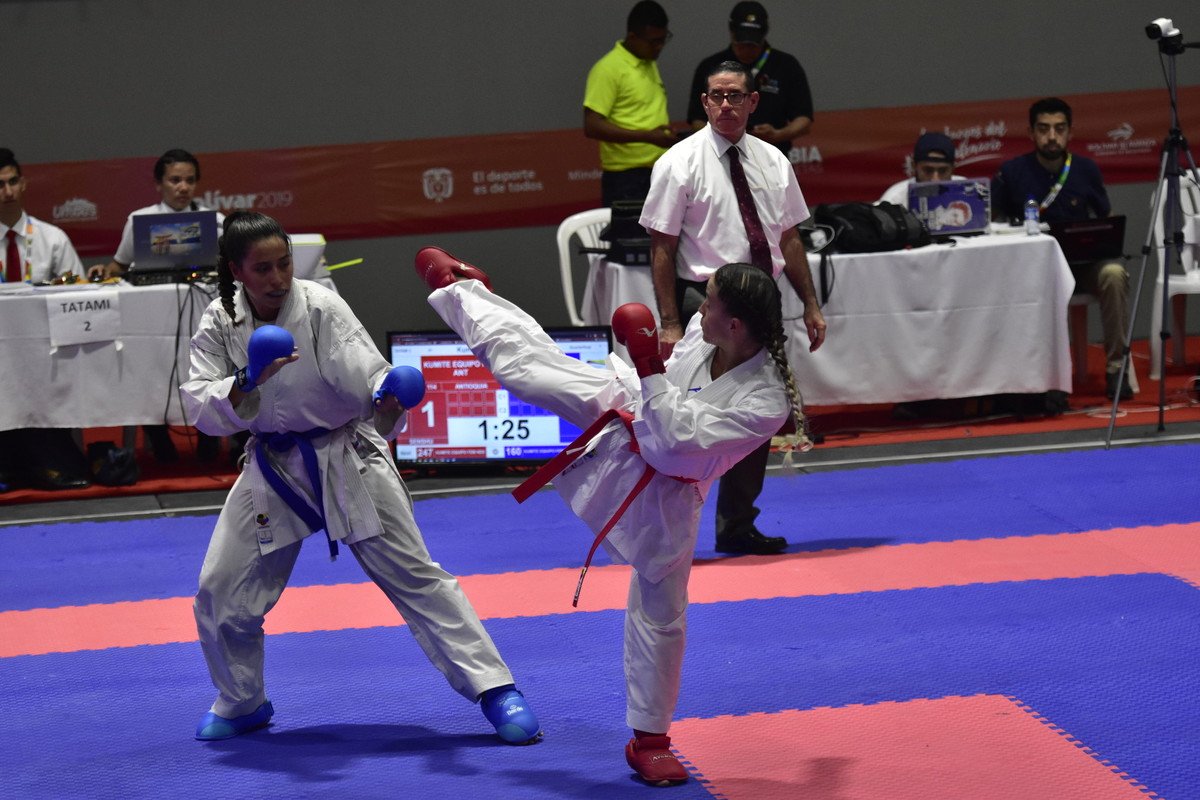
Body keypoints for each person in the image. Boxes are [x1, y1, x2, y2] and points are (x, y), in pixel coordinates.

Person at [414, 245, 807, 786]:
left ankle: (651, 740)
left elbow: (675, 443)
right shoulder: (706, 333)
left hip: (672, 488)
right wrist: (648, 367)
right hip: (630, 408)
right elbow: (662, 397)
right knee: (528, 370)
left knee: (661, 613)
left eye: (709, 301)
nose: (698, 307)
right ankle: (462, 288)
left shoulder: (766, 401)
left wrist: (647, 362)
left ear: (735, 325)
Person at [179, 211, 541, 746]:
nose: (278, 278)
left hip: (346, 455)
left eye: (284, 264)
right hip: (274, 466)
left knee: (416, 576)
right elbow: (199, 406)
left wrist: (387, 393)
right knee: (219, 590)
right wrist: (245, 379)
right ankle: (242, 700)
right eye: (263, 269)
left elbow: (367, 373)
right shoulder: (218, 320)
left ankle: (496, 690)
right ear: (236, 271)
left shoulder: (320, 306)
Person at [641, 59, 826, 555]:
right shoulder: (678, 162)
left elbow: (789, 238)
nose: (726, 105)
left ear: (752, 102)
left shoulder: (774, 161)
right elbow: (661, 247)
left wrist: (810, 303)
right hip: (707, 300)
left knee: (758, 408)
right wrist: (670, 323)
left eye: (735, 96)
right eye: (717, 96)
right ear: (704, 102)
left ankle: (737, 523)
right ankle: (662, 523)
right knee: (686, 411)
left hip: (763, 299)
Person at [88, 148, 226, 462]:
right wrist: (103, 272)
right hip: (150, 320)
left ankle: (209, 437)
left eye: (189, 180)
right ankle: (158, 438)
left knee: (207, 370)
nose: (183, 187)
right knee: (148, 371)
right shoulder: (140, 220)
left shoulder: (216, 222)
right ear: (159, 184)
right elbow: (119, 266)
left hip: (201, 315)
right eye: (175, 180)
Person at [992, 97, 1133, 400]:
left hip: (1083, 268)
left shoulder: (1086, 170)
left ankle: (1116, 369)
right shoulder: (1012, 172)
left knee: (1114, 273)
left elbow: (1106, 218)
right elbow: (992, 224)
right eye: (1044, 129)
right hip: (1034, 274)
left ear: (1070, 132)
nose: (1052, 137)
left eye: (1059, 129)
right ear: (1031, 133)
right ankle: (1031, 379)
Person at [0, 148, 91, 492]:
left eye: (12, 182)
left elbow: (79, 296)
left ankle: (47, 463)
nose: (7, 191)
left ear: (23, 184)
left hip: (46, 354)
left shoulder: (52, 239)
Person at [686, 2, 814, 156]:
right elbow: (697, 119)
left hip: (771, 154)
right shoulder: (711, 67)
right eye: (741, 44)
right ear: (731, 32)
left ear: (764, 34)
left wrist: (778, 134)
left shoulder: (786, 65)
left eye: (753, 44)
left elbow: (804, 120)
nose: (747, 50)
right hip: (721, 155)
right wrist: (722, 136)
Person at [583, 0, 679, 207]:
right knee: (630, 230)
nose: (659, 47)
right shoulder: (608, 69)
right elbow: (591, 126)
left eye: (663, 39)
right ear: (633, 37)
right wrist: (647, 137)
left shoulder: (648, 62)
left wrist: (661, 133)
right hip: (626, 178)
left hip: (659, 170)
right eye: (653, 42)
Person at [879, 131, 966, 206]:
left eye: (943, 171)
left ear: (952, 169)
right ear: (914, 166)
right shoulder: (893, 201)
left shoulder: (966, 191)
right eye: (928, 170)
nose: (935, 180)